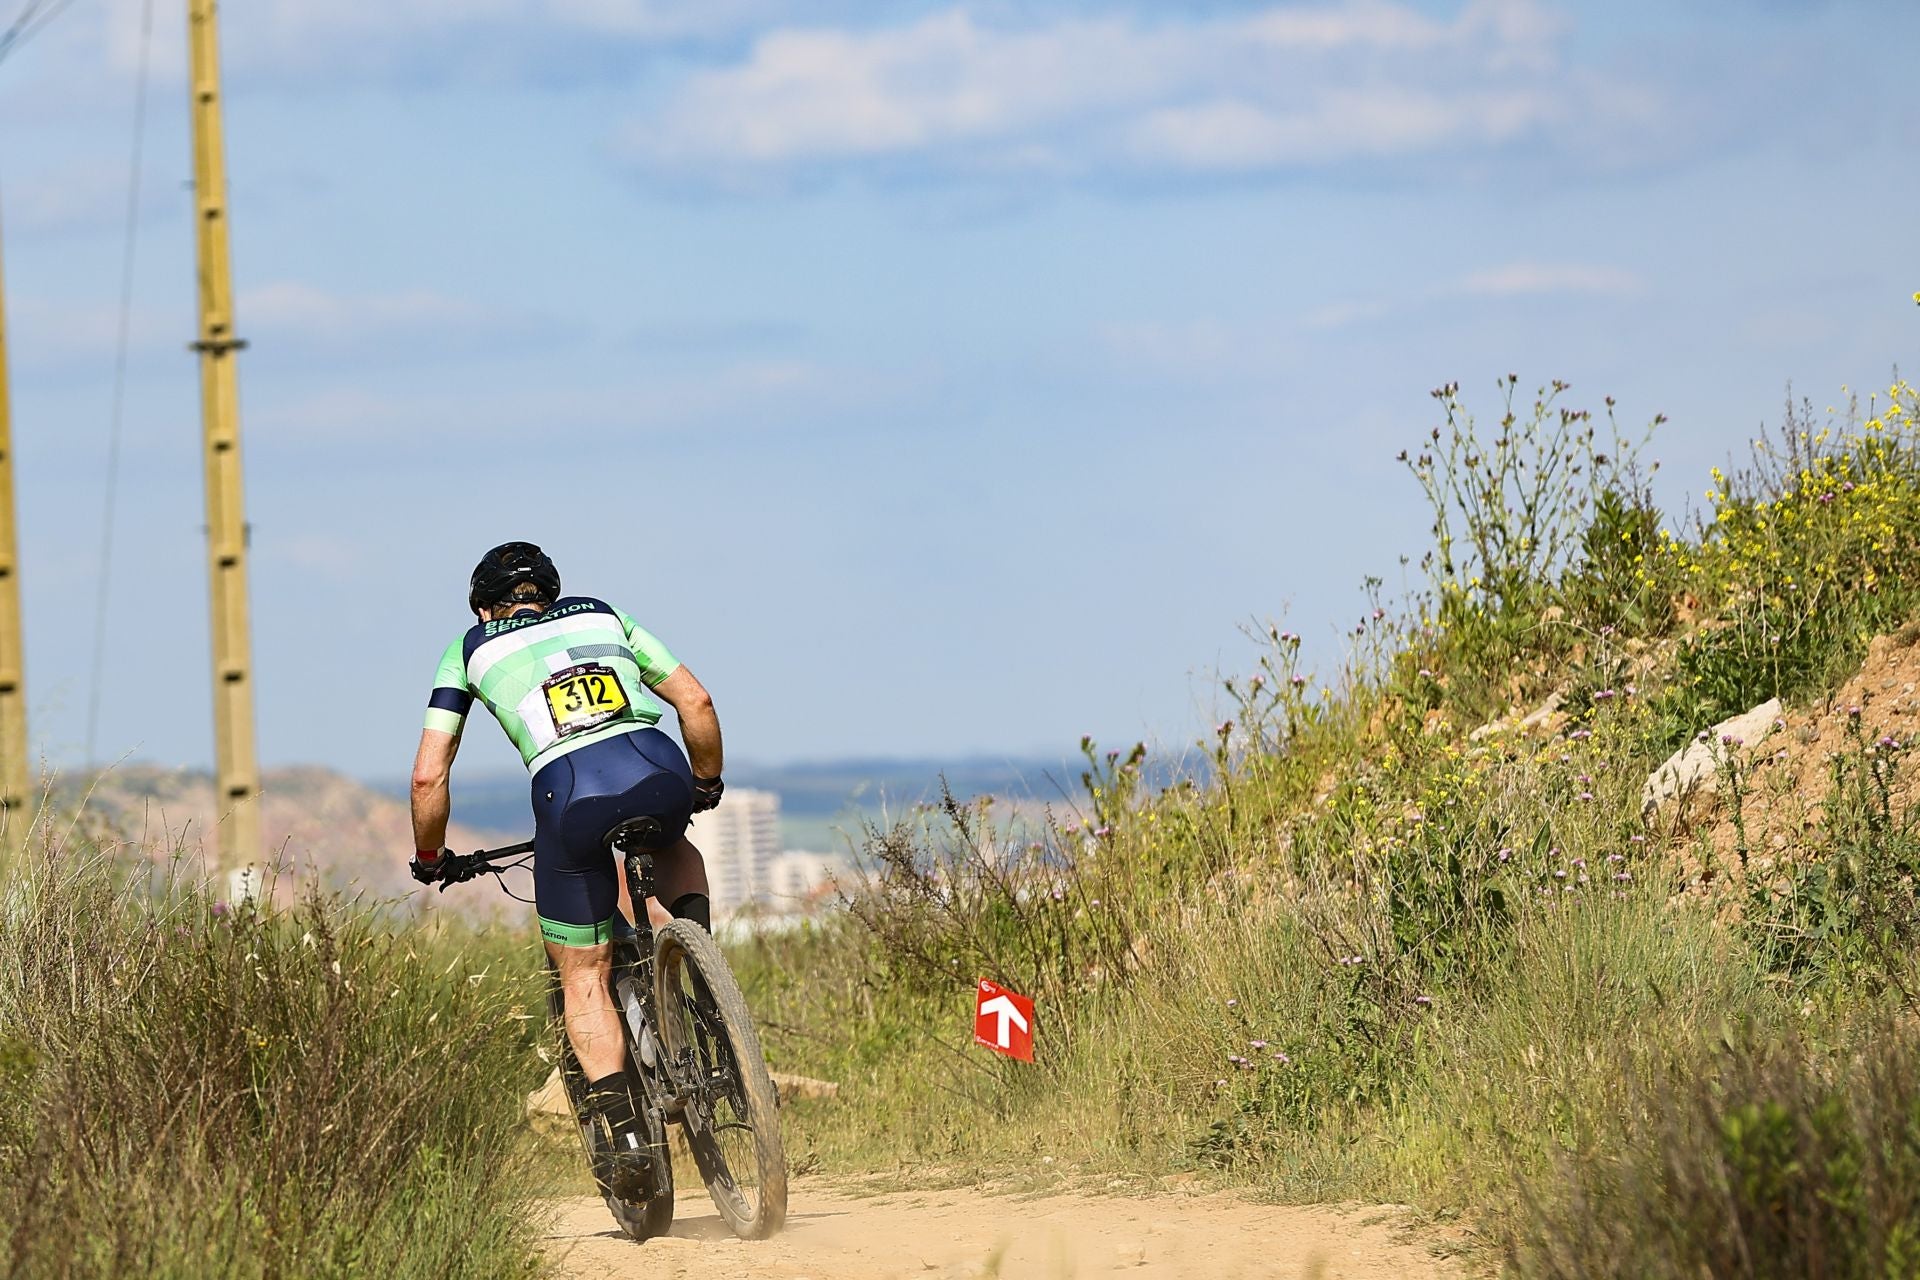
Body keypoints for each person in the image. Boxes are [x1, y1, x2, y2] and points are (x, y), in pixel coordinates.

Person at [407, 541, 723, 1198]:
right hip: (656, 763)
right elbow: (695, 702)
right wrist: (706, 783)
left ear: (482, 607)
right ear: (550, 593)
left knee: (583, 975)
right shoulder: (603, 614)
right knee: (675, 840)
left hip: (570, 795)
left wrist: (433, 858)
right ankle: (704, 980)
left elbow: (428, 774)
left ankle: (631, 1140)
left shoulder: (471, 646)